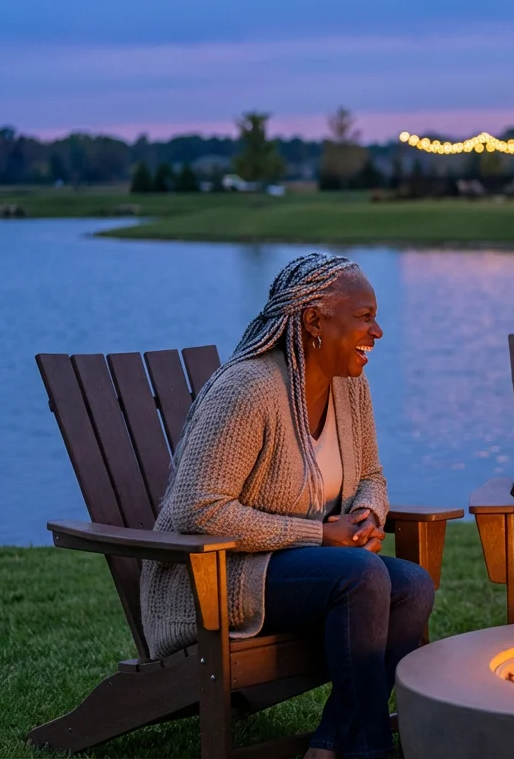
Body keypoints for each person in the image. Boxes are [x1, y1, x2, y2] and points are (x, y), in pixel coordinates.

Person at [140, 253, 432, 759]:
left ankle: (327, 746)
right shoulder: (249, 389)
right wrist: (321, 536)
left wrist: (366, 516)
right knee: (363, 577)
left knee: (411, 585)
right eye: (364, 317)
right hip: (217, 578)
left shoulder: (351, 386)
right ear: (314, 320)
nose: (378, 331)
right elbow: (199, 510)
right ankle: (369, 750)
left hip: (307, 571)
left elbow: (371, 476)